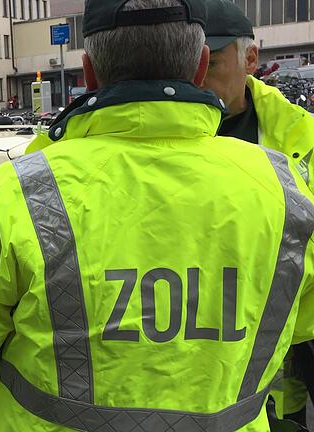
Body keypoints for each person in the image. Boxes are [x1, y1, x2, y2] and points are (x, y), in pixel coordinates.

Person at [0, 0, 314, 431]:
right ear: (199, 67)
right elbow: (299, 322)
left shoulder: (17, 193)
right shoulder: (285, 189)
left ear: (89, 72)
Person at [201, 0, 314, 426]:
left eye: (211, 62)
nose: (199, 77)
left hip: (301, 320)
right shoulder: (178, 131)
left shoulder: (299, 132)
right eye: (192, 63)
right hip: (220, 322)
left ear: (250, 59)